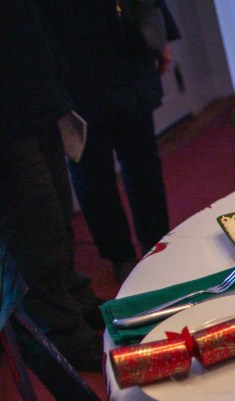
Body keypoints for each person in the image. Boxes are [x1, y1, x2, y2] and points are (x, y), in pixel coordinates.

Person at [38, 0, 180, 283]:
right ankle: (121, 256)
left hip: (126, 43)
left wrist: (159, 34)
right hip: (71, 56)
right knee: (92, 169)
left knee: (141, 160)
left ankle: (155, 246)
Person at [0, 0, 105, 372]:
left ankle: (75, 300)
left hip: (35, 89)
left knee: (58, 216)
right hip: (7, 118)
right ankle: (64, 336)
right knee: (34, 229)